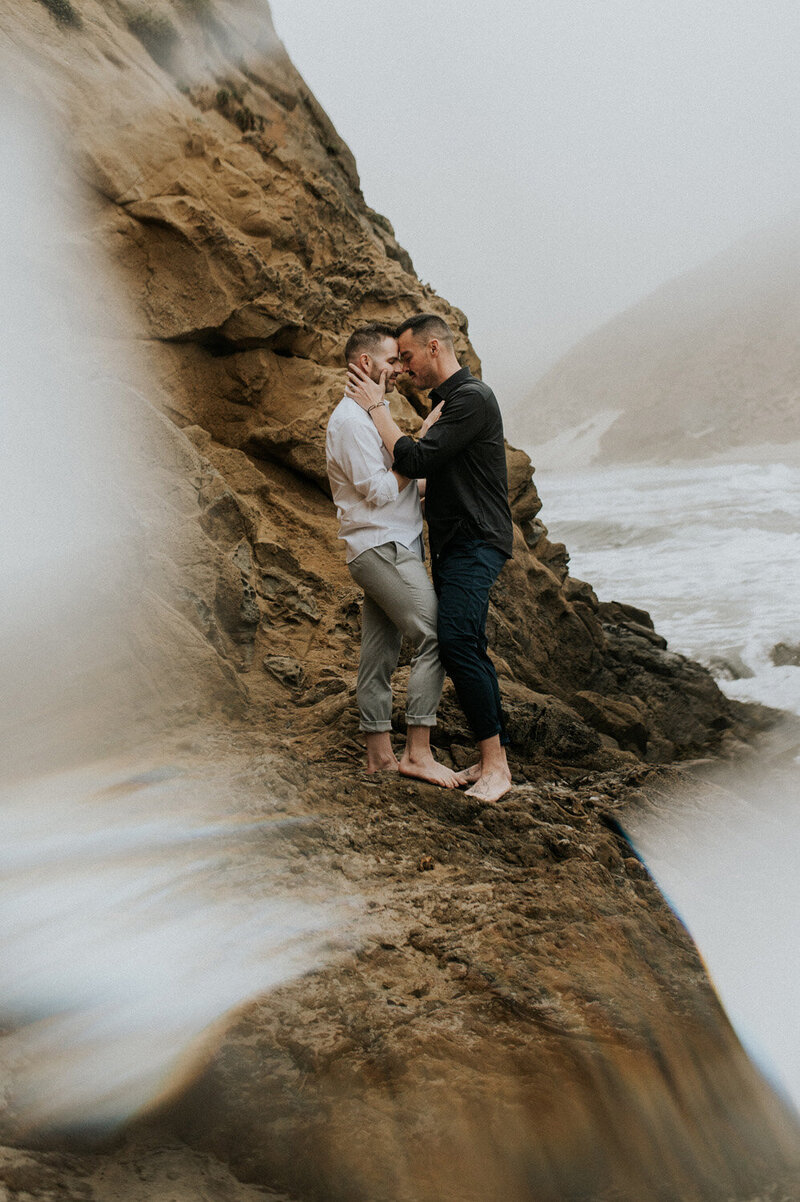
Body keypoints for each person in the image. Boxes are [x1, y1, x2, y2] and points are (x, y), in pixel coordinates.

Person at [345, 314, 514, 803]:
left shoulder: (471, 399)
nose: (403, 367)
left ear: (434, 347)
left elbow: (414, 461)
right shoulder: (448, 404)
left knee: (459, 641)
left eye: (408, 356)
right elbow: (427, 475)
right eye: (395, 359)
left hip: (475, 541)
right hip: (454, 543)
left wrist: (377, 409)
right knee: (460, 640)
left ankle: (497, 767)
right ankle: (488, 760)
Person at [326, 323, 462, 788]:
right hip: (381, 547)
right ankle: (418, 754)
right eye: (391, 361)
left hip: (389, 544)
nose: (399, 369)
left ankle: (379, 757)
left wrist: (422, 455)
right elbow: (383, 490)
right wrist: (419, 446)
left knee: (379, 653)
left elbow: (404, 487)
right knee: (436, 635)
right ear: (365, 364)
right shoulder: (349, 422)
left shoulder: (366, 419)